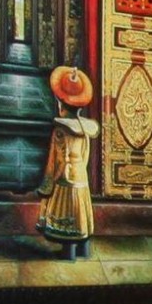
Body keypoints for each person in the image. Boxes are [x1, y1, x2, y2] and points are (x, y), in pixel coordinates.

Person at [37, 65, 100, 258]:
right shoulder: (84, 128)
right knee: (79, 211)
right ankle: (84, 251)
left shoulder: (60, 130)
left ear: (60, 103)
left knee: (66, 212)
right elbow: (86, 153)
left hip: (64, 175)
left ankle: (69, 254)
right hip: (81, 173)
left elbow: (56, 159)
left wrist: (50, 180)